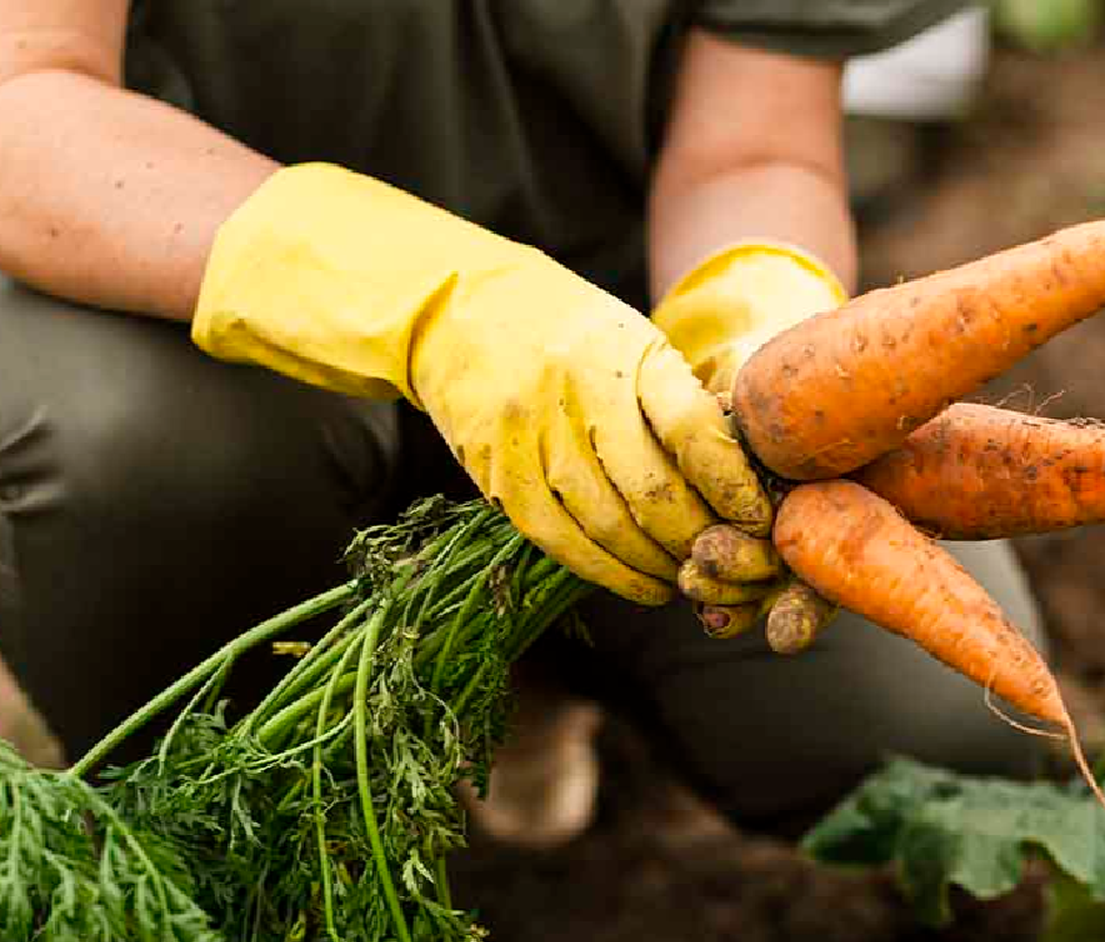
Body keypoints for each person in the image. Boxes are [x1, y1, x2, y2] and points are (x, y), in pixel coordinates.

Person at [0, 1, 1051, 839]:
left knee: (930, 733)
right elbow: (28, 100)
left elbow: (755, 151)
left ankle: (527, 670)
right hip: (183, 320)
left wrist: (748, 342)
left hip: (615, 333)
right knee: (129, 449)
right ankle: (224, 839)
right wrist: (436, 297)